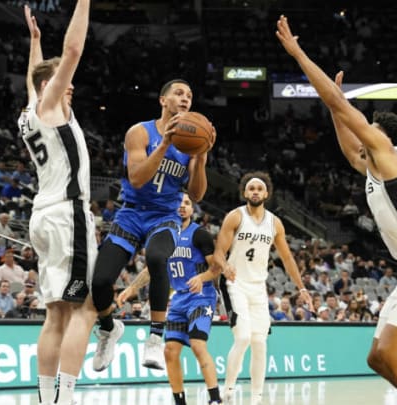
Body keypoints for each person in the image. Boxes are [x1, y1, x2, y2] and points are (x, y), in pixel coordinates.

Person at [276, 16, 397, 405]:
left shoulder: (390, 155)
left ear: (385, 138)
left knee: (393, 352)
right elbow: (347, 142)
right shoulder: (373, 165)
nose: (364, 132)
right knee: (377, 357)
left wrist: (297, 53)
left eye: (371, 128)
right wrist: (336, 107)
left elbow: (341, 109)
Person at [90, 77, 214, 372]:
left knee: (158, 258)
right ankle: (108, 329)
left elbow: (195, 195)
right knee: (100, 282)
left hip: (165, 216)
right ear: (163, 100)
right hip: (131, 213)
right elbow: (136, 178)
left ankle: (155, 339)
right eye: (179, 93)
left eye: (190, 95)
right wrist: (165, 144)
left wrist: (202, 159)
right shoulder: (140, 132)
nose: (185, 98)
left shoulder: (191, 145)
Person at [20, 4, 97, 405]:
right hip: (69, 215)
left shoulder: (30, 112)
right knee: (84, 308)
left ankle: (46, 398)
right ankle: (66, 398)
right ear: (50, 85)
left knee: (55, 314)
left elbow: (35, 79)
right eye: (64, 85)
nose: (71, 88)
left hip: (43, 217)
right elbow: (72, 52)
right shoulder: (51, 106)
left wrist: (34, 43)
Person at [212, 172, 312, 405]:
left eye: (259, 189)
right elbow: (219, 252)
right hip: (235, 284)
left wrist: (302, 288)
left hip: (258, 287)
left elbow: (287, 258)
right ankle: (228, 390)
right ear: (244, 193)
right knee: (244, 337)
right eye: (251, 188)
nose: (255, 191)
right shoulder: (234, 217)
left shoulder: (275, 223)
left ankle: (256, 398)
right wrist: (225, 266)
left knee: (260, 342)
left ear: (266, 194)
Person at [118, 193, 223, 405]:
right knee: (169, 351)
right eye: (179, 203)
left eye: (187, 203)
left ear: (192, 210)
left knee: (197, 344)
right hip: (178, 299)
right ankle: (180, 401)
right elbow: (151, 269)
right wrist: (131, 288)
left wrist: (201, 277)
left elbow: (217, 268)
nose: (182, 206)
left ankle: (215, 399)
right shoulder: (164, 235)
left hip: (201, 297)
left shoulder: (199, 235)